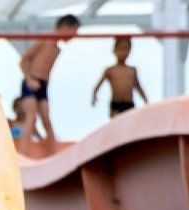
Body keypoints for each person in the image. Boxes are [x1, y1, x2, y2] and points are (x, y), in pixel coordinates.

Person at [17, 14, 80, 153]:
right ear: (64, 27)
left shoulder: (57, 49)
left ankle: (53, 154)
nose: (74, 35)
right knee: (31, 116)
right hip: (31, 80)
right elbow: (24, 60)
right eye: (73, 31)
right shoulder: (44, 41)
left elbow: (47, 71)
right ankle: (21, 154)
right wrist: (29, 79)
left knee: (46, 119)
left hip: (43, 84)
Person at [91, 37, 148, 117]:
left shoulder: (132, 70)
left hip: (129, 104)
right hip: (116, 104)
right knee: (116, 124)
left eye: (126, 49)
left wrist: (145, 100)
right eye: (120, 49)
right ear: (114, 50)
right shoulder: (110, 70)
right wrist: (94, 96)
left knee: (129, 125)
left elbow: (138, 87)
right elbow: (98, 85)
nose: (123, 52)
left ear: (129, 51)